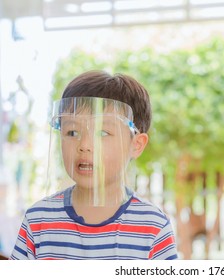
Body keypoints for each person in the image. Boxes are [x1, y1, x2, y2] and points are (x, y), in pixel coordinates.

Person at [10, 70, 178, 260]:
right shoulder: (38, 220)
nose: (85, 146)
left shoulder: (152, 227)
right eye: (72, 132)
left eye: (103, 133)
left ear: (136, 145)